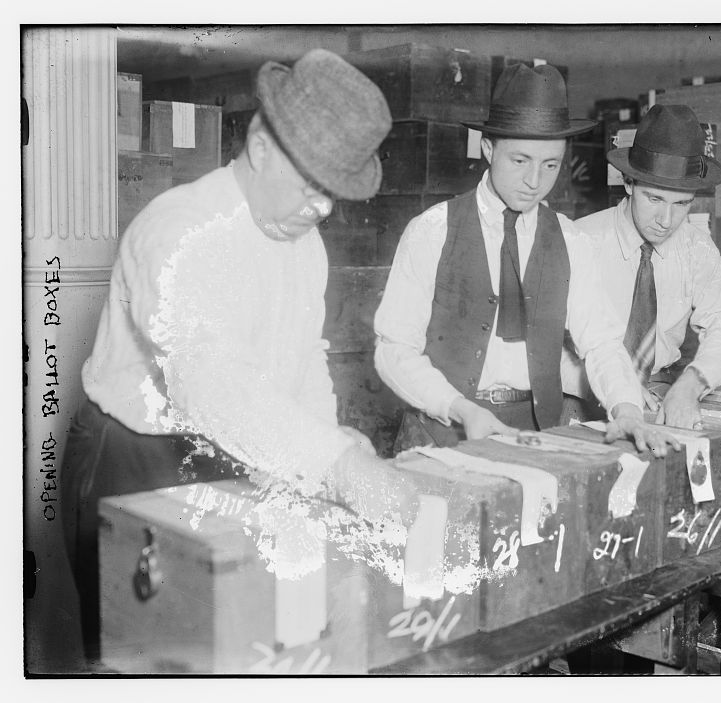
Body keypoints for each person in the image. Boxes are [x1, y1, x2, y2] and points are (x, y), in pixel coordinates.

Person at [60, 49, 419, 666]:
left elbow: (305, 359)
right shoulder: (180, 229)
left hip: (243, 454)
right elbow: (210, 383)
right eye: (311, 184)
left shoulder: (302, 243)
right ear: (258, 146)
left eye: (334, 192)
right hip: (141, 463)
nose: (323, 209)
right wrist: (334, 465)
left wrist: (327, 440)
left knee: (251, 650)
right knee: (152, 663)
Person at [374, 64, 679, 456]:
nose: (535, 180)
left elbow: (602, 343)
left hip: (536, 435)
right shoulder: (431, 231)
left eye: (550, 165)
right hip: (440, 434)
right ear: (488, 148)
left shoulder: (571, 240)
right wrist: (461, 409)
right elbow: (393, 349)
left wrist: (627, 409)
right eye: (520, 161)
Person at [563, 104, 721, 429]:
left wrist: (691, 384)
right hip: (584, 402)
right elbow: (549, 343)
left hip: (659, 396)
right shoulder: (581, 240)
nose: (666, 221)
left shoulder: (697, 249)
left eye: (682, 204)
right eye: (654, 200)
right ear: (628, 183)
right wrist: (619, 389)